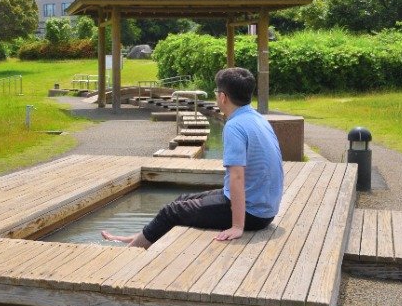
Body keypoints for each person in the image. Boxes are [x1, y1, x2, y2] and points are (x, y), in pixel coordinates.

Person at [103, 66, 283, 247]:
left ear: (223, 97)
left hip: (252, 214)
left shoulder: (234, 126)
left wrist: (237, 226)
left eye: (216, 92)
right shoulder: (258, 118)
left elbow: (237, 176)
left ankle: (129, 251)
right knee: (182, 200)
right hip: (264, 209)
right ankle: (137, 237)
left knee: (171, 211)